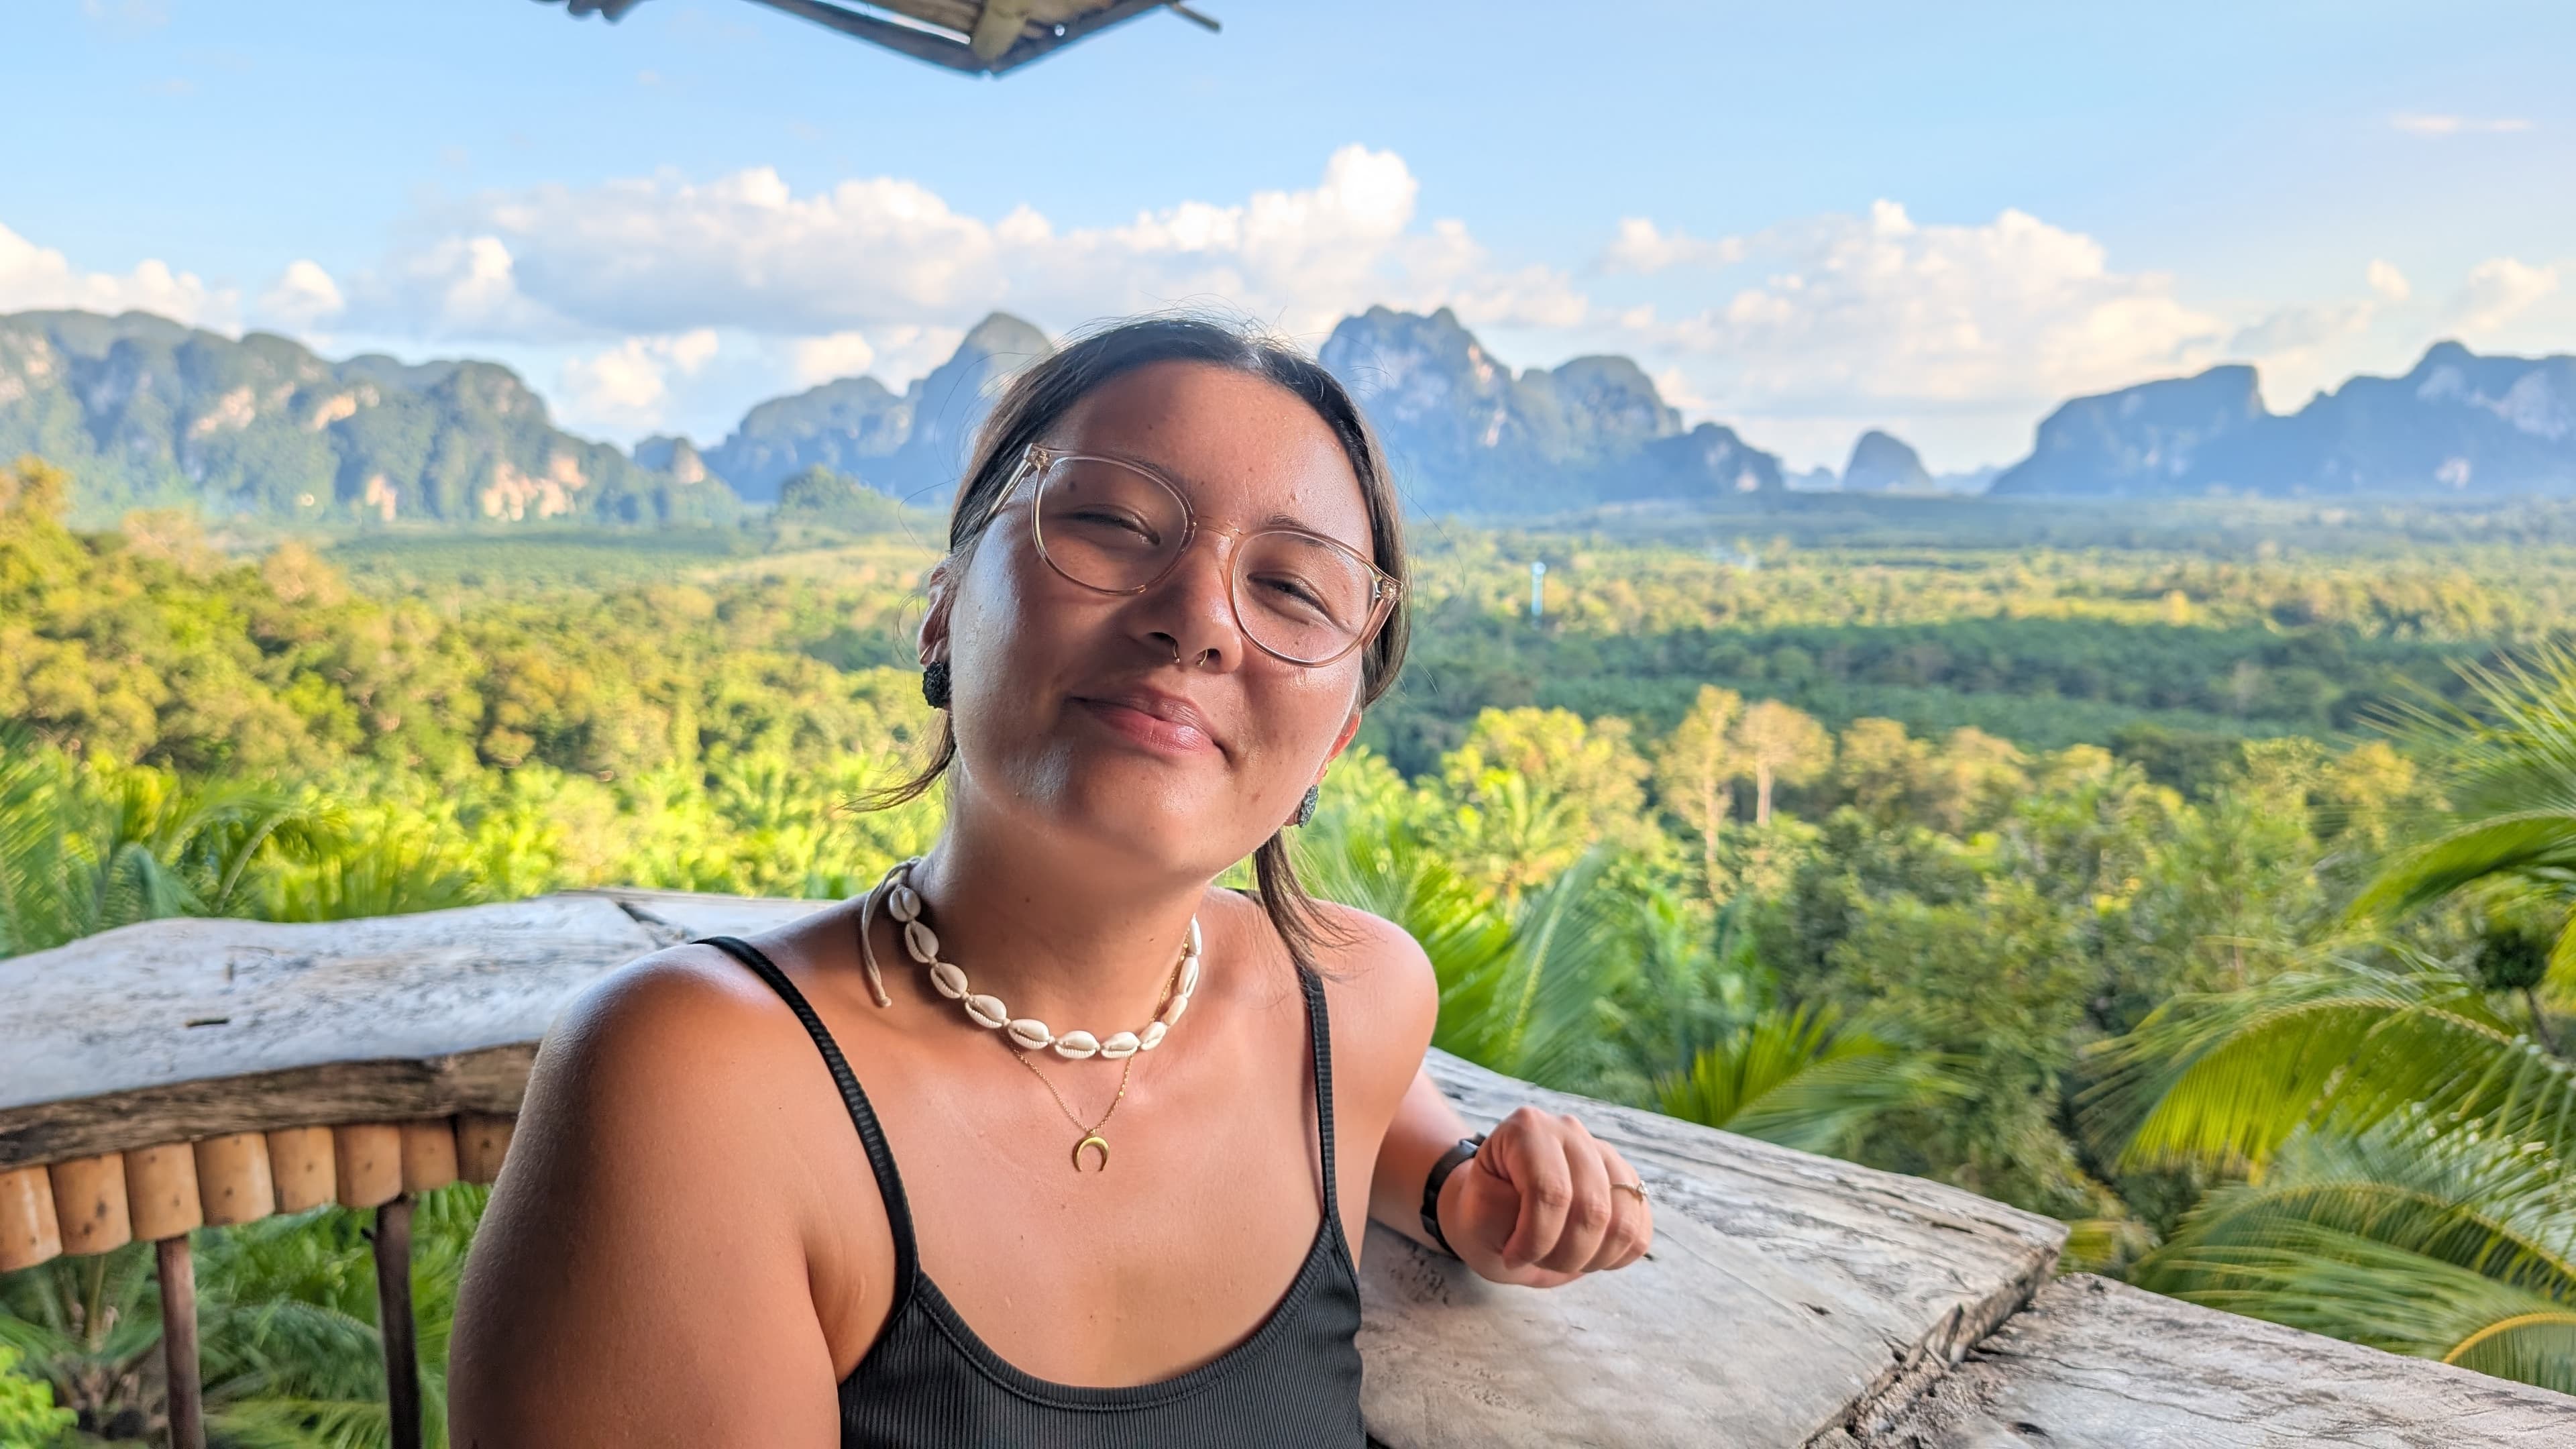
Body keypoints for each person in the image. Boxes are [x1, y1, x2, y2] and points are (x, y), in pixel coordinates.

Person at [448, 316, 1655, 1447]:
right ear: (941, 612)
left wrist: (1458, 1191)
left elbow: (1371, 1108)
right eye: (1114, 526)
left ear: (1332, 742)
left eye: (1291, 588)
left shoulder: (1356, 997)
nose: (1199, 621)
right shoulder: (706, 1087)